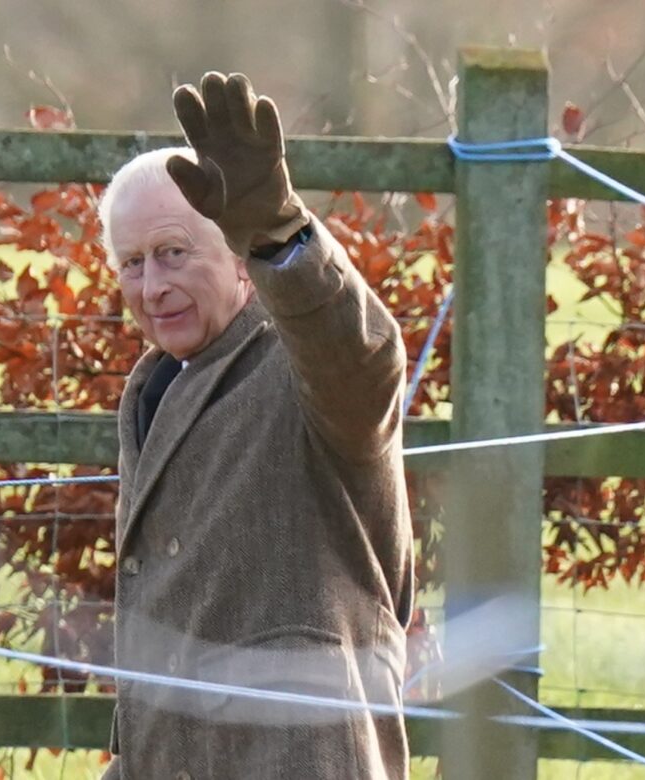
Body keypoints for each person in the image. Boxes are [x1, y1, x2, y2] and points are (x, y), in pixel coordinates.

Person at [98, 71, 414, 779]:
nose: (152, 286)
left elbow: (362, 358)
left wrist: (281, 234)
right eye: (132, 264)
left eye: (174, 253)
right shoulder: (154, 390)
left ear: (240, 260)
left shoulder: (302, 366)